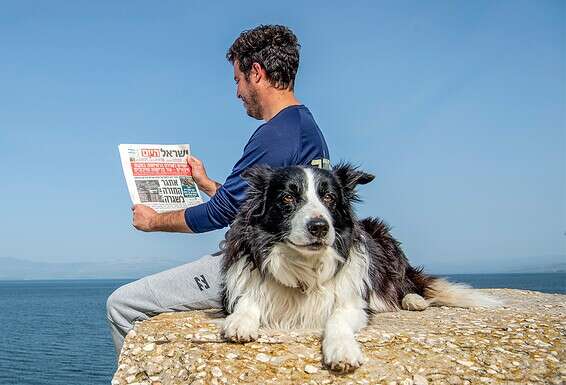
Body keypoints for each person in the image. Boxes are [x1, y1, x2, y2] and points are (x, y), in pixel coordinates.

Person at [106, 24, 331, 356]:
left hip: (257, 268)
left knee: (122, 305)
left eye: (238, 80)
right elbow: (262, 206)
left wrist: (153, 221)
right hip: (287, 263)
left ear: (256, 72)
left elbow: (220, 213)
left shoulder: (276, 135)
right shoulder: (303, 126)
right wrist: (208, 184)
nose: (237, 92)